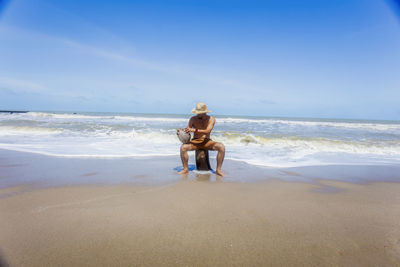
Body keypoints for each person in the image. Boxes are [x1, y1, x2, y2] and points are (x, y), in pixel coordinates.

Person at [178, 102, 225, 176]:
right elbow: (188, 130)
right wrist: (182, 132)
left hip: (207, 142)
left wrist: (195, 130)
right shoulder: (193, 119)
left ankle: (218, 170)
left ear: (204, 112)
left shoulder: (211, 119)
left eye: (200, 113)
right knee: (183, 148)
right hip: (195, 142)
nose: (198, 114)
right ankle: (185, 169)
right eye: (197, 112)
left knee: (221, 147)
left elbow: (207, 131)